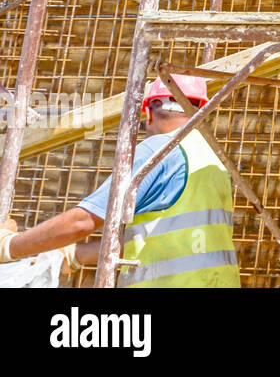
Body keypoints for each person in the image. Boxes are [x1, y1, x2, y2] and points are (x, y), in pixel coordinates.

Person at [0, 74, 239, 287]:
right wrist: (76, 255)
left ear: (148, 112)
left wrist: (10, 246)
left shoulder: (159, 150)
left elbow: (82, 222)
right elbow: (162, 239)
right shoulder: (211, 158)